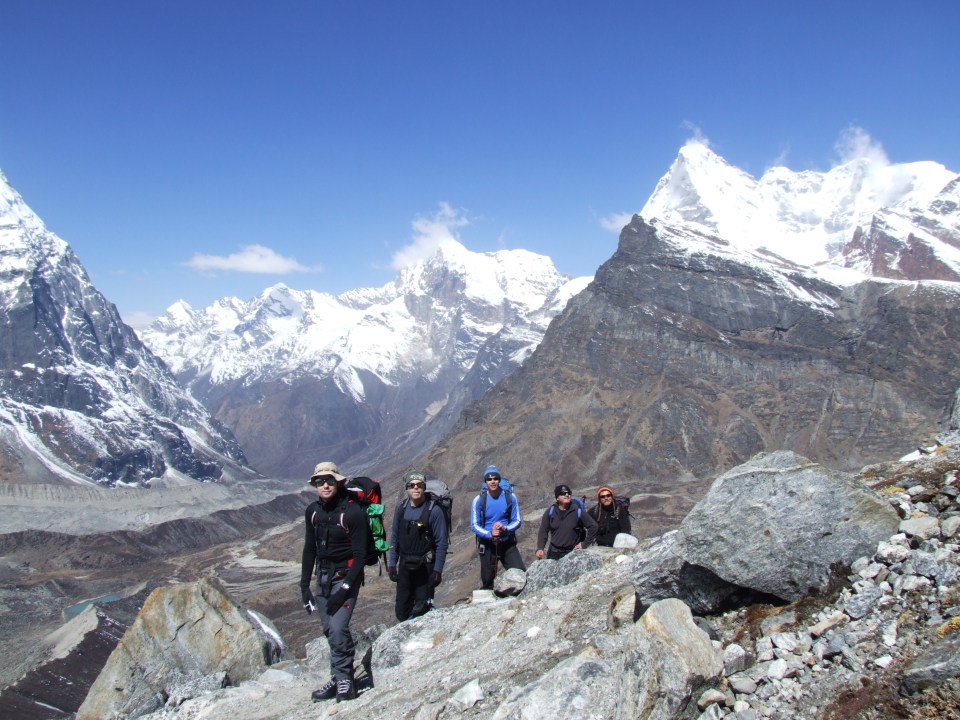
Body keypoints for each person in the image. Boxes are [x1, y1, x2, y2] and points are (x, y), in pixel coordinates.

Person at [300, 461, 366, 703]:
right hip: (323, 578)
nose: (325, 485)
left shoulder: (352, 513)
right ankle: (337, 677)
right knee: (329, 630)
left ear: (338, 482)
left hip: (345, 578)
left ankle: (346, 679)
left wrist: (346, 588)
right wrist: (304, 585)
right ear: (315, 485)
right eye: (320, 481)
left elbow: (360, 556)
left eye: (329, 480)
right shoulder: (313, 512)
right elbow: (310, 549)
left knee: (338, 628)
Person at [387, 471, 449, 621]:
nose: (415, 488)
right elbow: (394, 536)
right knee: (401, 610)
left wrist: (437, 571)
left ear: (424, 487)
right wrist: (392, 564)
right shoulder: (401, 508)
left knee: (422, 608)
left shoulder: (434, 511)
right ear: (407, 488)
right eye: (412, 485)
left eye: (419, 485)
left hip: (425, 567)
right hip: (405, 565)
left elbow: (442, 543)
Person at [471, 465, 525, 589]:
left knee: (520, 573)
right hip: (488, 545)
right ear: (485, 482)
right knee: (488, 581)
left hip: (507, 543)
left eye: (495, 478)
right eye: (489, 479)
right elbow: (474, 525)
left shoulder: (510, 497)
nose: (493, 481)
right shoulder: (479, 500)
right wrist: (489, 534)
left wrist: (505, 528)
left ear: (499, 480)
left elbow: (517, 521)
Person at [535, 484, 598, 560]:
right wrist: (540, 548)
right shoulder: (550, 512)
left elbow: (593, 526)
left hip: (572, 553)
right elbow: (543, 531)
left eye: (568, 493)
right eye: (563, 493)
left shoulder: (578, 511)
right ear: (557, 498)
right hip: (553, 552)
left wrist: (584, 544)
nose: (567, 495)